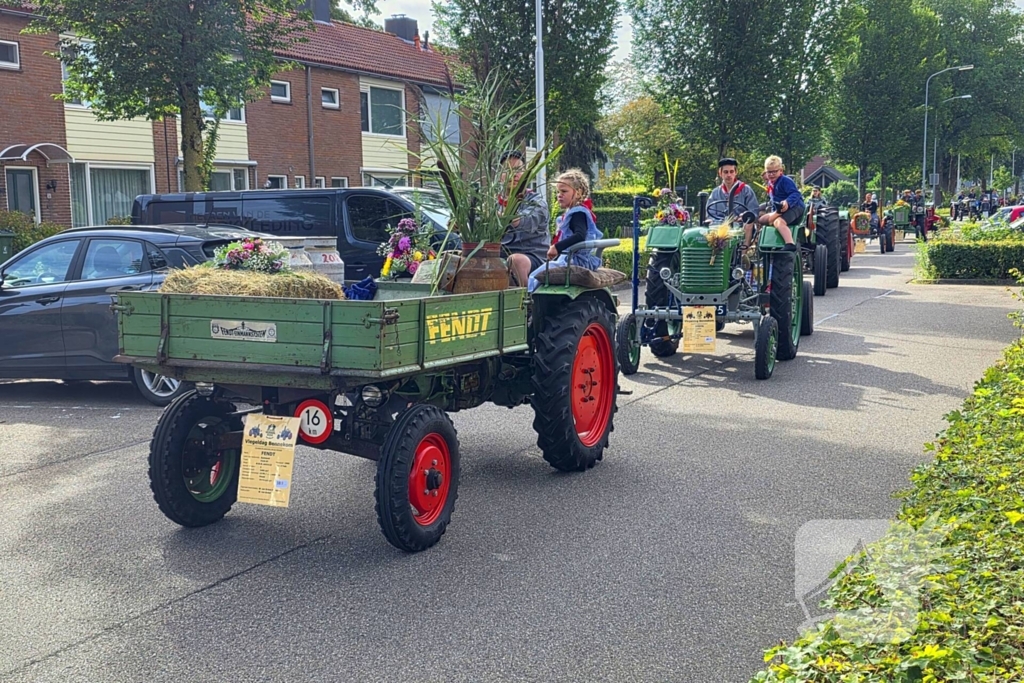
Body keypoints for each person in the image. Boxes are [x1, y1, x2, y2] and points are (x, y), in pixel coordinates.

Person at [527, 169, 602, 292]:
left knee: (534, 276)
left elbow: (579, 235)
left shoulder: (578, 213)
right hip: (569, 258)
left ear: (578, 193)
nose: (559, 195)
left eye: (564, 191)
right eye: (558, 192)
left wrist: (557, 247)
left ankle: (529, 302)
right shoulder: (572, 212)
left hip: (575, 260)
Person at [497, 150, 550, 287]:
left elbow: (527, 220)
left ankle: (526, 303)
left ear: (526, 174)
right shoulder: (491, 204)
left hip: (532, 257)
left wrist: (505, 218)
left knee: (516, 261)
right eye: (507, 170)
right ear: (499, 176)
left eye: (518, 170)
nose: (513, 175)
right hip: (497, 256)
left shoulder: (536, 202)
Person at [707, 158, 760, 246]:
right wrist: (720, 222)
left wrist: (744, 216)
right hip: (720, 226)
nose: (729, 175)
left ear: (736, 173)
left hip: (740, 225)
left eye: (731, 172)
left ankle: (743, 254)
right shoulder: (715, 193)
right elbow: (710, 214)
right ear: (720, 173)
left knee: (749, 223)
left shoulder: (746, 190)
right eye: (726, 172)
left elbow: (754, 212)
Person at [756, 155, 801, 251]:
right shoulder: (770, 183)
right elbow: (773, 201)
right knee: (761, 219)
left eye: (774, 171)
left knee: (778, 222)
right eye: (769, 172)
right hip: (779, 210)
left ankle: (790, 243)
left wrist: (787, 202)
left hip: (794, 207)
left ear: (780, 171)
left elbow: (795, 194)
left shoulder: (785, 181)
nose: (771, 174)